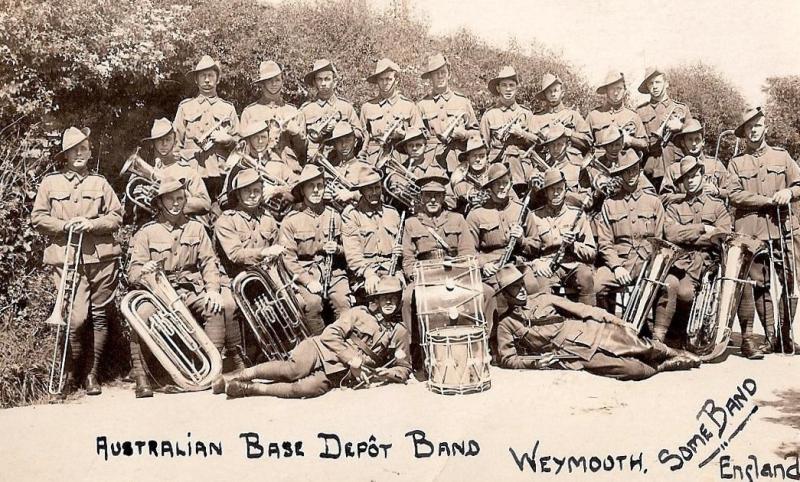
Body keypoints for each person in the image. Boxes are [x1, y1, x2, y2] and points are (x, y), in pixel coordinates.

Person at [127, 178, 241, 397]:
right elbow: (132, 273)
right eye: (170, 199)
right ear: (159, 202)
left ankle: (210, 371)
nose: (176, 203)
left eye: (180, 198)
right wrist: (144, 270)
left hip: (190, 290)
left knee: (213, 307)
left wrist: (212, 290)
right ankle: (142, 378)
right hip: (158, 294)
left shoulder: (196, 228)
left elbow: (209, 263)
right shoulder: (146, 232)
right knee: (141, 315)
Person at [32, 127, 123, 396]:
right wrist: (64, 226)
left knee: (99, 316)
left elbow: (117, 217)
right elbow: (37, 218)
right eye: (74, 150)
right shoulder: (50, 183)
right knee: (75, 318)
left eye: (83, 148)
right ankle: (69, 374)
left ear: (89, 151)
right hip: (67, 259)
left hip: (102, 259)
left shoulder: (100, 183)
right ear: (66, 155)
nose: (79, 153)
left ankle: (91, 375)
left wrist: (91, 223)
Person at [216, 277, 411, 399]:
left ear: (398, 300)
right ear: (375, 300)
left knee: (306, 389)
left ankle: (249, 389)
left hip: (339, 371)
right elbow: (330, 334)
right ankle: (237, 376)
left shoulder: (400, 331)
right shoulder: (359, 313)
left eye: (393, 297)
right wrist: (353, 359)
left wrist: (387, 374)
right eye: (384, 297)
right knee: (293, 370)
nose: (388, 301)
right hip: (319, 350)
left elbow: (404, 367)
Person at [494, 265, 700, 380]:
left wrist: (618, 321)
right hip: (572, 354)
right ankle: (664, 366)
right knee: (633, 371)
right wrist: (535, 363)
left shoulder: (543, 298)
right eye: (514, 287)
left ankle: (674, 353)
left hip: (590, 332)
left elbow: (584, 309)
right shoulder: (506, 324)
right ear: (505, 293)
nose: (521, 289)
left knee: (641, 346)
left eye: (521, 284)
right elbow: (507, 359)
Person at [400, 174, 495, 368]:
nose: (433, 200)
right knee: (407, 298)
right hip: (425, 277)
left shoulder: (458, 219)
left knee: (487, 293)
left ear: (444, 197)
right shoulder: (412, 223)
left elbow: (468, 252)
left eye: (437, 195)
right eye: (428, 196)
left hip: (456, 273)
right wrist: (415, 276)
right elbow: (408, 259)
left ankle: (483, 346)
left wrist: (462, 271)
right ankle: (416, 353)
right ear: (421, 198)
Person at [727, 106, 800, 356]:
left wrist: (789, 192)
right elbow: (734, 194)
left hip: (783, 229)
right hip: (753, 233)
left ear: (765, 127)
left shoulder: (782, 157)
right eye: (749, 127)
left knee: (791, 284)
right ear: (744, 133)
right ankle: (770, 337)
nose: (754, 130)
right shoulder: (736, 163)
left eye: (757, 125)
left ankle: (785, 334)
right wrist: (767, 200)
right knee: (760, 284)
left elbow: (799, 183)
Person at [593, 149, 670, 339]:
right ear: (620, 174)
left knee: (669, 284)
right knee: (597, 284)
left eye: (634, 169)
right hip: (620, 262)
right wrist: (617, 267)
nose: (631, 175)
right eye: (626, 171)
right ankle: (612, 329)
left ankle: (658, 337)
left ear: (640, 169)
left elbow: (659, 239)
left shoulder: (653, 202)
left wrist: (648, 263)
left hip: (647, 261)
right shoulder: (609, 203)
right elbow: (605, 242)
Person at [662, 156, 732, 343]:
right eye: (686, 178)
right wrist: (702, 229)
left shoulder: (717, 206)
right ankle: (671, 336)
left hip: (707, 262)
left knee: (685, 293)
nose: (691, 180)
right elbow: (671, 234)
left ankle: (685, 334)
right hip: (681, 261)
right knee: (670, 287)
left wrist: (690, 236)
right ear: (682, 182)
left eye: (694, 175)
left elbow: (723, 235)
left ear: (702, 175)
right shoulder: (674, 207)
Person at [279, 164, 352, 335]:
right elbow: (288, 258)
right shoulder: (291, 220)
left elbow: (351, 249)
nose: (316, 190)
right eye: (311, 186)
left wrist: (338, 250)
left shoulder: (335, 215)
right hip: (306, 274)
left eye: (320, 185)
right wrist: (307, 281)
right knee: (312, 304)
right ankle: (321, 347)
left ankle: (345, 344)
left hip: (334, 273)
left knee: (343, 303)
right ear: (303, 190)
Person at [173, 55, 239, 200]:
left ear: (218, 79)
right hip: (192, 172)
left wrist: (228, 139)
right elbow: (175, 144)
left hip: (220, 173)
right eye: (203, 76)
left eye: (211, 75)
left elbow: (240, 146)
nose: (207, 80)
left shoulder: (228, 108)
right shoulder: (185, 107)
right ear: (196, 80)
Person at [528, 169, 597, 306]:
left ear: (565, 190)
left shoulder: (577, 215)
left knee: (586, 276)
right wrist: (536, 263)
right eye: (551, 189)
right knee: (540, 284)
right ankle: (547, 322)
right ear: (545, 192)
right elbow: (527, 251)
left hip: (572, 264)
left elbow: (591, 253)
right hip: (546, 265)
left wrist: (573, 246)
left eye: (559, 189)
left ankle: (589, 322)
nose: (556, 193)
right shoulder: (535, 217)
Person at [341, 164, 404, 296]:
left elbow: (405, 248)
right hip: (365, 272)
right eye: (369, 189)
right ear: (361, 191)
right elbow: (353, 255)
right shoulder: (352, 215)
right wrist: (368, 274)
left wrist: (400, 250)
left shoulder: (392, 213)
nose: (374, 193)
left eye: (377, 188)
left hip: (392, 269)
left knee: (404, 294)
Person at [416, 53, 480, 174]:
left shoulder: (462, 101)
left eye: (443, 72)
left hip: (458, 158)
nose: (440, 76)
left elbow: (477, 133)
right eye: (436, 74)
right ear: (430, 77)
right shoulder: (422, 105)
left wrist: (464, 134)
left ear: (449, 74)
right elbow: (416, 138)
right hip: (431, 161)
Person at [480, 66, 542, 187]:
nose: (508, 89)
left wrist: (522, 134)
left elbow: (539, 143)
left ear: (516, 88)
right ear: (498, 88)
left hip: (523, 165)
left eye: (511, 85)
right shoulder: (489, 114)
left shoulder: (526, 113)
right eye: (504, 85)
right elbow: (484, 147)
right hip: (497, 164)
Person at [240, 61, 307, 173]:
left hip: (290, 170)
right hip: (259, 171)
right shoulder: (250, 112)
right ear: (262, 84)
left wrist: (295, 133)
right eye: (269, 81)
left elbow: (303, 150)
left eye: (277, 80)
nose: (274, 84)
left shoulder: (294, 112)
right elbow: (243, 149)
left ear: (282, 81)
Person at [139, 117, 211, 222]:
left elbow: (205, 204)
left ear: (174, 140)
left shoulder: (187, 171)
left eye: (168, 139)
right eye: (159, 140)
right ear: (153, 143)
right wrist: (140, 196)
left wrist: (171, 201)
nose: (164, 144)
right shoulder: (144, 171)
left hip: (182, 226)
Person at [636, 67, 692, 189]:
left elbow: (694, 136)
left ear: (666, 84)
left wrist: (681, 127)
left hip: (677, 167)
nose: (654, 86)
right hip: (652, 169)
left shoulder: (682, 108)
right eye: (650, 83)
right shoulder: (640, 111)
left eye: (658, 82)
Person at [359, 58, 422, 165]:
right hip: (374, 158)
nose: (385, 83)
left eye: (388, 79)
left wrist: (404, 134)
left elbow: (420, 135)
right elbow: (363, 136)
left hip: (401, 157)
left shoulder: (409, 105)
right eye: (381, 79)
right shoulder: (367, 107)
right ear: (377, 81)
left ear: (396, 80)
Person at [300, 59, 363, 158]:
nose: (323, 83)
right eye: (319, 79)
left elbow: (359, 135)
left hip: (341, 159)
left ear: (335, 82)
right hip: (314, 161)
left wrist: (340, 128)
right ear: (314, 82)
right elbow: (300, 142)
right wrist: (316, 135)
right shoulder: (306, 110)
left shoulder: (346, 107)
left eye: (327, 79)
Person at [659, 119, 729, 205]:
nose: (694, 143)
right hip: (684, 215)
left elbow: (731, 193)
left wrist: (717, 191)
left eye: (697, 139)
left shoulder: (716, 165)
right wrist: (687, 196)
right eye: (690, 140)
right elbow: (663, 198)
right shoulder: (673, 169)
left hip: (711, 214)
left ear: (703, 142)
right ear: (683, 143)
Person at [390, 127, 457, 210]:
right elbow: (393, 201)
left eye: (418, 145)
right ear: (405, 149)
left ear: (426, 147)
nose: (414, 148)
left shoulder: (436, 171)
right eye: (410, 145)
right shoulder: (398, 172)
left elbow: (452, 202)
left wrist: (429, 203)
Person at [586, 71, 647, 156]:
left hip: (627, 164)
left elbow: (645, 144)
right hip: (601, 166)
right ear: (606, 91)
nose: (615, 93)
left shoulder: (633, 116)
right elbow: (583, 144)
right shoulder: (594, 116)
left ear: (625, 90)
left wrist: (630, 140)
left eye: (619, 88)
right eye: (612, 89)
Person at [532, 73, 592, 153]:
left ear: (562, 93)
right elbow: (530, 146)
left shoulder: (573, 115)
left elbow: (588, 142)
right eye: (549, 92)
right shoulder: (537, 118)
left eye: (556, 90)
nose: (553, 94)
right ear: (544, 95)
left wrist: (568, 133)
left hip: (570, 161)